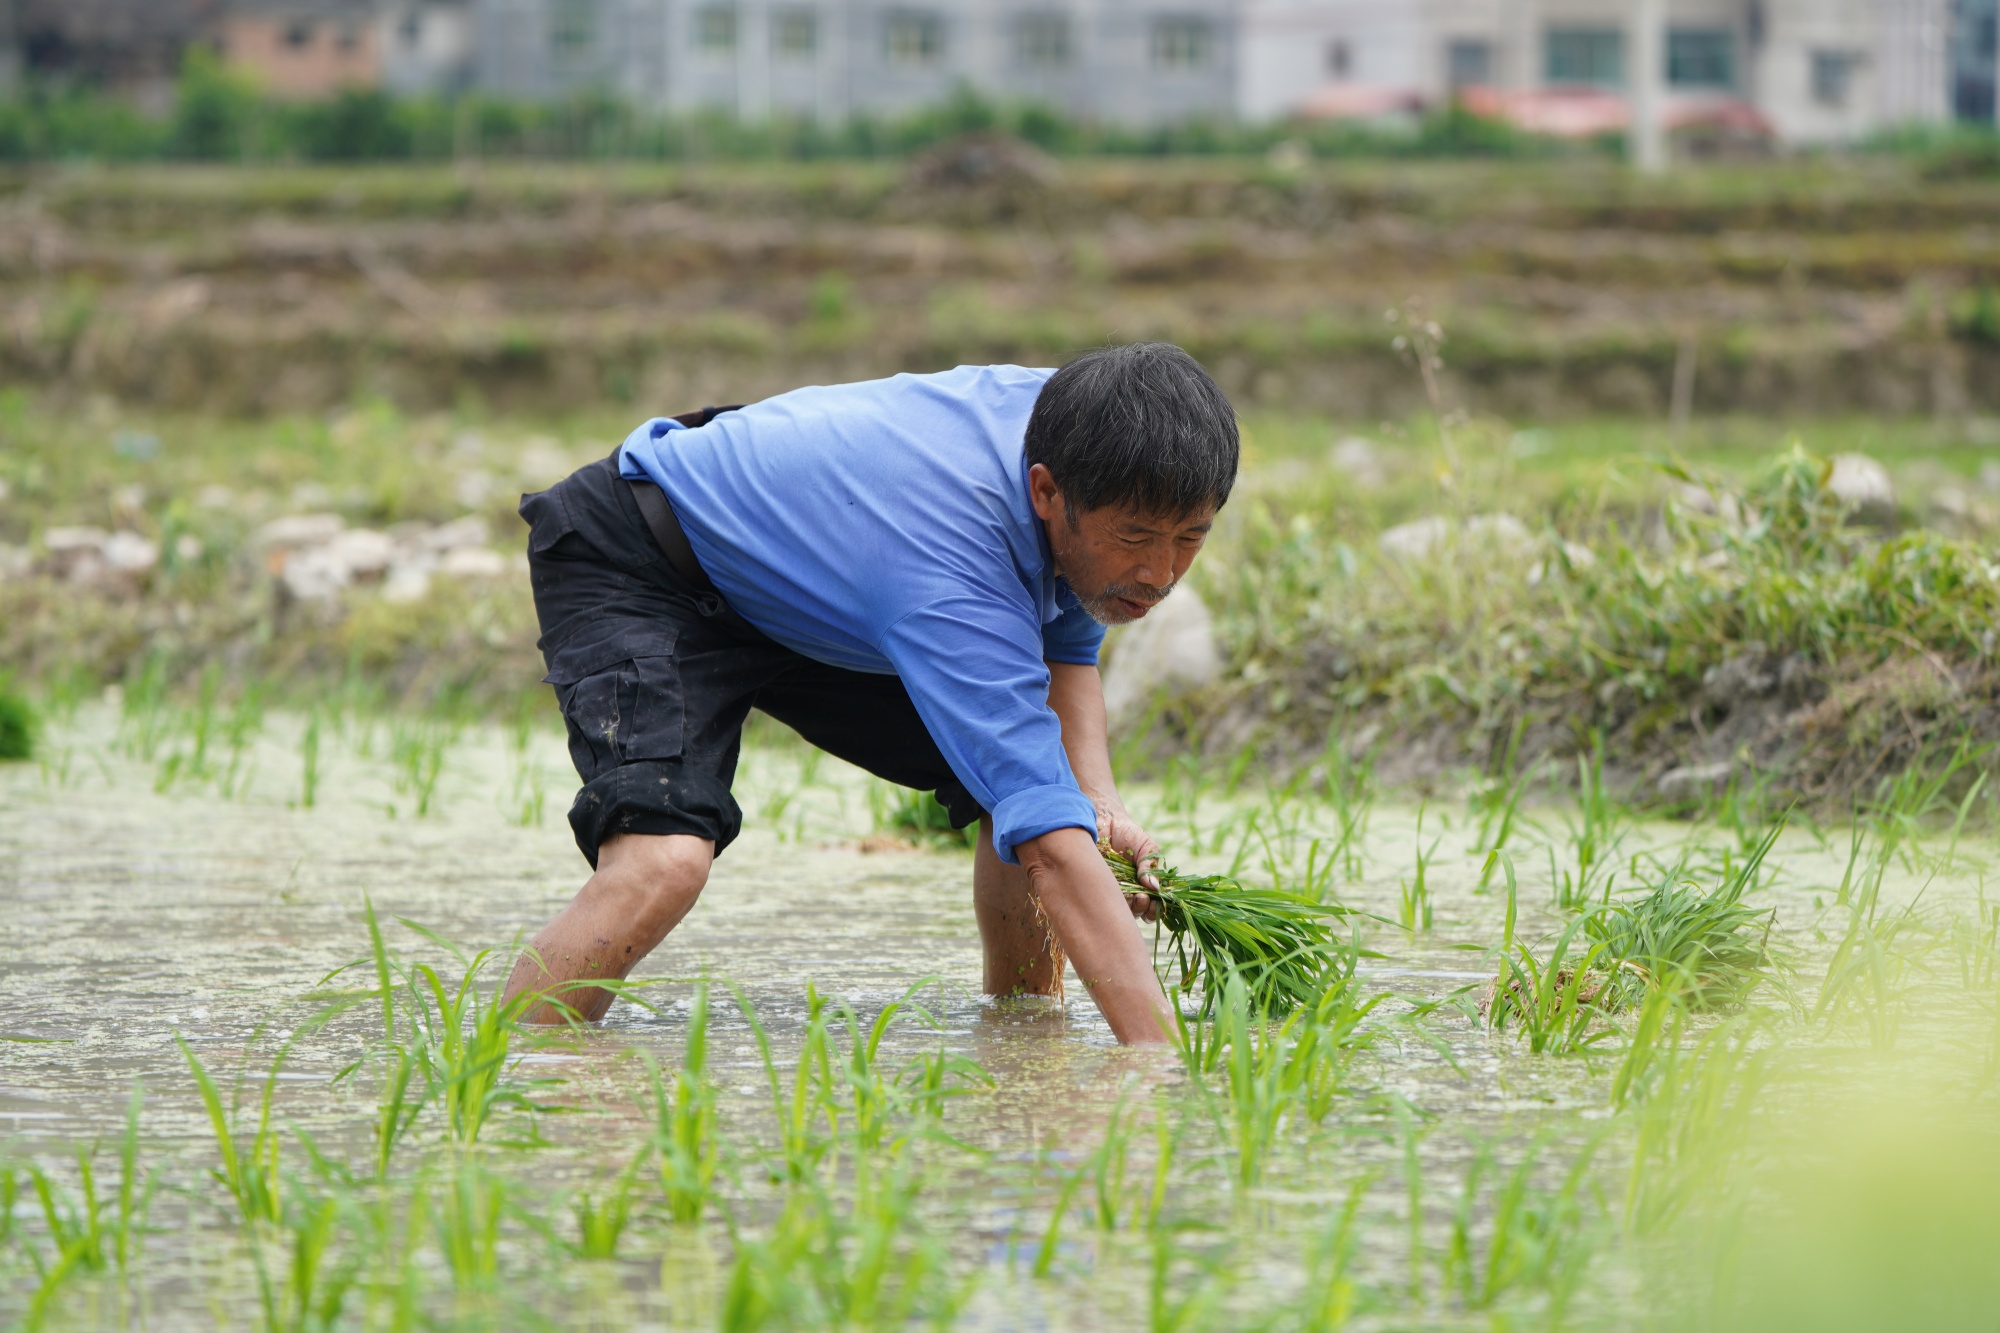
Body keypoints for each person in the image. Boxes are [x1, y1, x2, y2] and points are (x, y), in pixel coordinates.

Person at [501, 342, 1238, 1044]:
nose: (1161, 574)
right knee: (663, 861)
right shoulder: (954, 565)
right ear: (1045, 491)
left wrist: (1100, 805)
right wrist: (1162, 1067)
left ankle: (1025, 1035)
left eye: (1191, 538)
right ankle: (501, 1071)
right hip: (645, 556)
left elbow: (1066, 654)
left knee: (1021, 789)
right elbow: (1049, 840)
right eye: (1138, 539)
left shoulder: (1107, 442)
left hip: (822, 574)